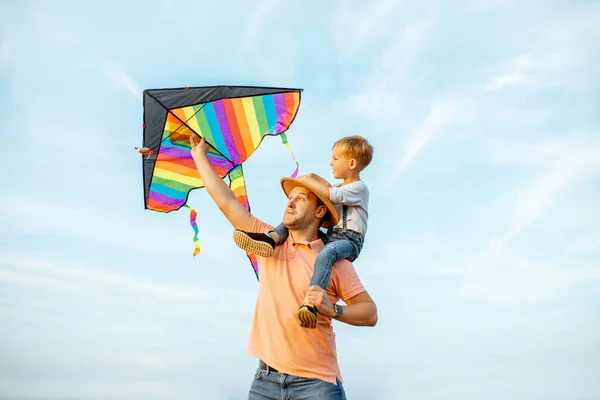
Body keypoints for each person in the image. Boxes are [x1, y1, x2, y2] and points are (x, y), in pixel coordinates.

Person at [190, 135, 377, 399]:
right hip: (264, 380)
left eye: (300, 198)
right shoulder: (268, 243)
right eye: (290, 197)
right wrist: (199, 156)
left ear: (320, 211)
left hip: (317, 384)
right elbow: (227, 202)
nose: (290, 202)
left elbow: (370, 313)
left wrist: (333, 309)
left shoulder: (335, 260)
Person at [233, 135, 373, 329]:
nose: (331, 163)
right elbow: (326, 190)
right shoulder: (341, 187)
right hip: (333, 236)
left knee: (327, 253)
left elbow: (328, 194)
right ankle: (270, 239)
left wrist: (308, 179)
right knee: (293, 223)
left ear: (351, 163)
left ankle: (310, 303)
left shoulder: (358, 188)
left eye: (335, 158)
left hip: (349, 241)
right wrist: (311, 177)